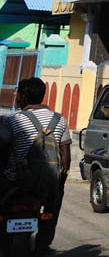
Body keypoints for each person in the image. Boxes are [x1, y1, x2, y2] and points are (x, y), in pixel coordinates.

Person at [0, 77, 71, 254]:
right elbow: (66, 158)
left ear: (23, 97)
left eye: (17, 95)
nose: (16, 98)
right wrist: (59, 183)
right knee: (52, 209)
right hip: (47, 186)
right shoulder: (60, 120)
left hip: (15, 184)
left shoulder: (11, 120)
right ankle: (43, 245)